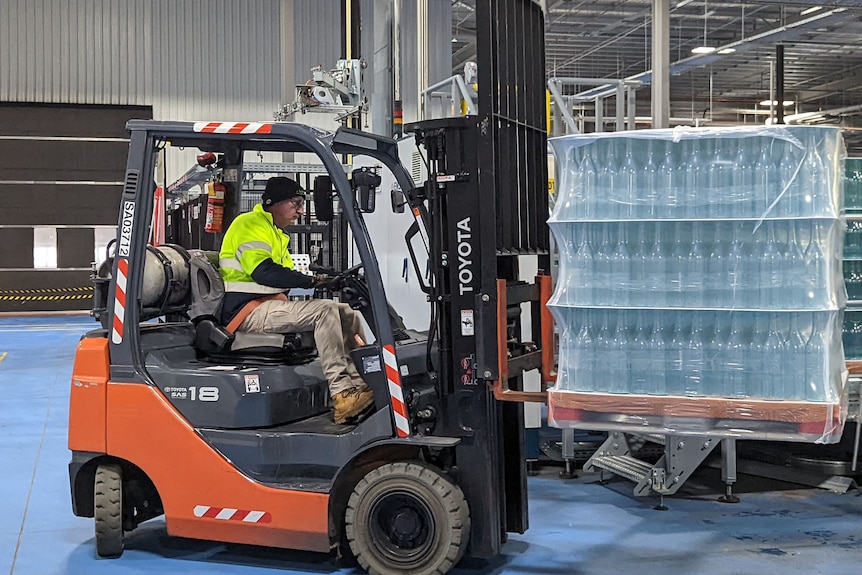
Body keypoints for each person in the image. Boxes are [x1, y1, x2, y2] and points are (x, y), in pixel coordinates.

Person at [218, 176, 374, 424]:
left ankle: (362, 383)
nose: (301, 211)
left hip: (269, 306)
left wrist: (324, 278)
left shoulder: (277, 234)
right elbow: (264, 271)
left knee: (346, 311)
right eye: (296, 203)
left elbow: (288, 275)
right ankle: (341, 392)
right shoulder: (249, 224)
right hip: (246, 312)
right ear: (274, 202)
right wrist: (309, 282)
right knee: (324, 311)